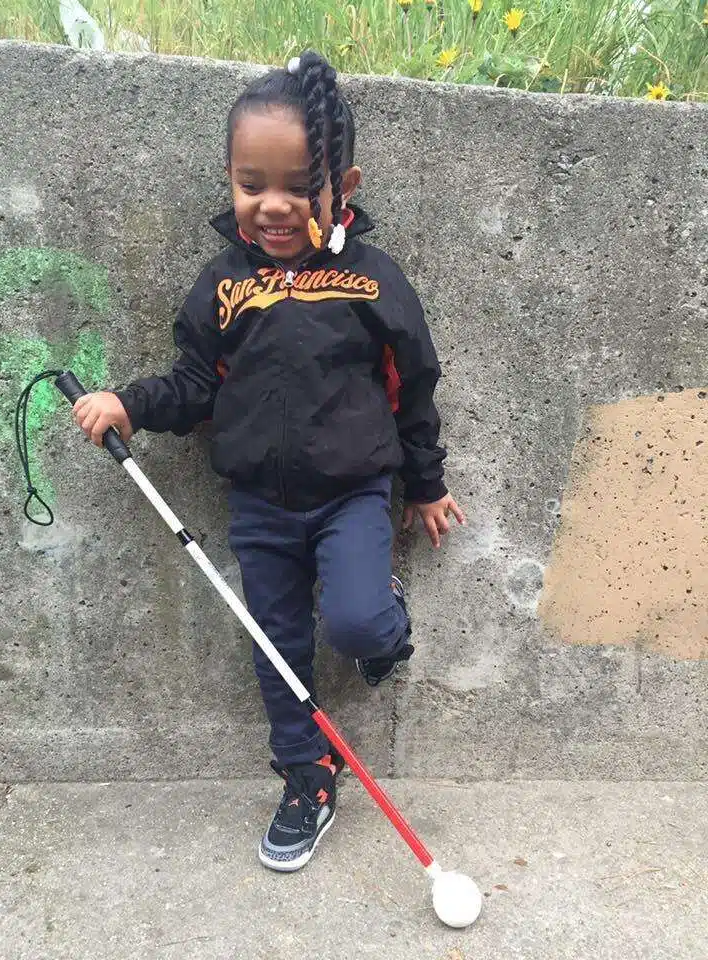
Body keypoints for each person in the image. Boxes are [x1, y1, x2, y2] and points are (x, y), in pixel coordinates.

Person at [73, 50, 465, 873]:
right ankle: (307, 776)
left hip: (355, 493)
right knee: (277, 644)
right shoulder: (223, 286)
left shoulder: (372, 281)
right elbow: (190, 383)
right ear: (230, 180)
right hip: (259, 506)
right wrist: (130, 406)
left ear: (343, 186)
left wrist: (423, 484)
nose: (273, 206)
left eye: (298, 185)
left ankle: (382, 613)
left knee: (357, 621)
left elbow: (414, 382)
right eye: (252, 185)